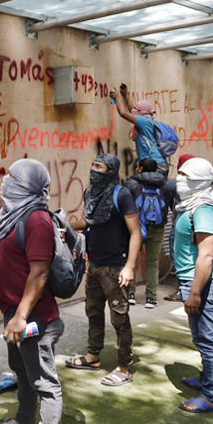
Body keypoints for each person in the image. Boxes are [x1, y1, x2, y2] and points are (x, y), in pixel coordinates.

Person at [0, 159, 64, 424]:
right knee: (22, 371)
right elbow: (16, 266)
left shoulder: (37, 219)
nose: (5, 181)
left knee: (45, 383)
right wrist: (4, 297)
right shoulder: (14, 215)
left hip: (35, 318)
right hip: (14, 310)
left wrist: (20, 315)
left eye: (12, 176)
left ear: (26, 185)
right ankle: (24, 420)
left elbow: (40, 273)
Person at [65, 154, 142, 387]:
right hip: (94, 264)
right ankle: (93, 356)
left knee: (119, 318)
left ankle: (124, 367)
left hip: (115, 267)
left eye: (99, 166)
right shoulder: (91, 193)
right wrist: (65, 225)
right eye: (93, 164)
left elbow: (136, 232)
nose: (93, 170)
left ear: (111, 171)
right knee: (93, 312)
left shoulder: (123, 195)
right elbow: (90, 222)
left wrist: (129, 267)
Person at [172, 157, 213, 413]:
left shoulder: (204, 208)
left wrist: (195, 293)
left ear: (198, 181)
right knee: (201, 337)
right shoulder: (191, 204)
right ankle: (208, 380)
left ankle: (211, 396)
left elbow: (206, 255)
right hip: (193, 283)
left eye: (184, 175)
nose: (179, 179)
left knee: (206, 340)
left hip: (201, 285)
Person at [124, 157, 173, 308]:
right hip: (158, 228)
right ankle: (151, 297)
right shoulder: (165, 184)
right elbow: (168, 205)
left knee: (133, 258)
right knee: (153, 262)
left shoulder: (131, 183)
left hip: (136, 228)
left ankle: (130, 294)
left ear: (139, 168)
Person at [110, 85, 168, 175]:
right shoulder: (146, 119)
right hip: (155, 163)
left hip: (155, 165)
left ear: (143, 111)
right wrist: (125, 96)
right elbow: (132, 110)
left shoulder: (144, 121)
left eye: (137, 108)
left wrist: (117, 97)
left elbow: (123, 113)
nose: (134, 110)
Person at [163, 154, 197, 303]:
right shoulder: (201, 181)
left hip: (179, 225)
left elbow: (167, 202)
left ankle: (181, 290)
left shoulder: (173, 183)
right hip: (198, 225)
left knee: (178, 258)